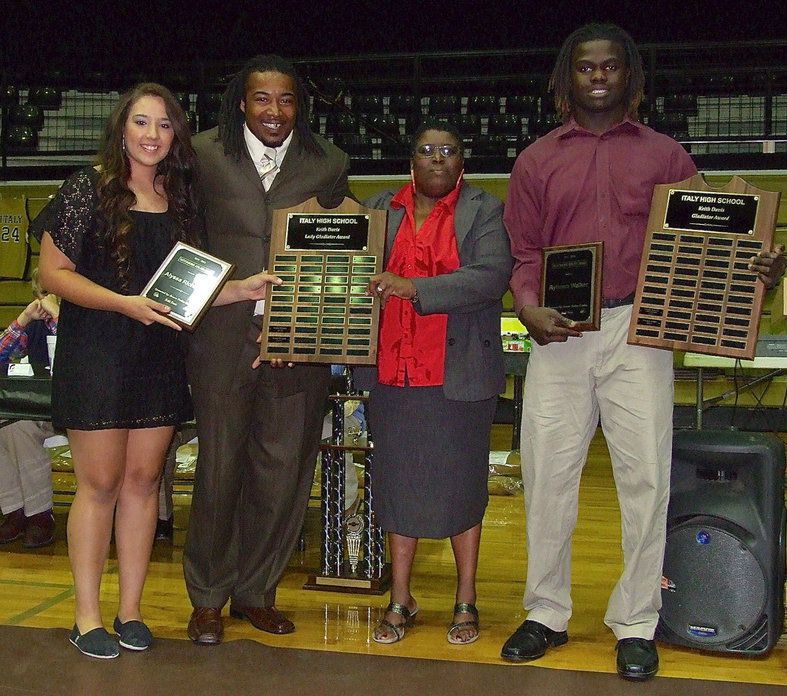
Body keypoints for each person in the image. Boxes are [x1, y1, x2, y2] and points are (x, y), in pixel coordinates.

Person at [499, 23, 787, 680]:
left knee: (647, 481)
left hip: (641, 334)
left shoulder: (667, 156)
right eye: (585, 67)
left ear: (629, 76)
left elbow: (713, 238)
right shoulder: (536, 160)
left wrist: (758, 266)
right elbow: (523, 254)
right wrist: (526, 305)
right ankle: (546, 612)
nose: (597, 75)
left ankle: (634, 620)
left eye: (609, 66)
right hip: (560, 336)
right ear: (565, 78)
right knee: (547, 478)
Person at [35, 83, 280, 660]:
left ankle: (130, 612)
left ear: (176, 136)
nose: (151, 135)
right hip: (96, 354)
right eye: (141, 123)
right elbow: (54, 274)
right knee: (99, 487)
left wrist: (239, 289)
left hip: (156, 361)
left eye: (164, 125)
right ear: (122, 128)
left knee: (144, 485)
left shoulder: (180, 198)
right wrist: (124, 304)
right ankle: (87, 617)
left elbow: (180, 294)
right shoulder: (86, 189)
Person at [183, 54, 351, 645]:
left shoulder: (329, 164)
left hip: (296, 346)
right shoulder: (200, 153)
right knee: (220, 470)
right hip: (220, 339)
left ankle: (256, 592)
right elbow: (182, 242)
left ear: (298, 106)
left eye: (285, 100)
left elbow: (337, 259)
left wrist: (297, 327)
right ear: (240, 102)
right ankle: (207, 596)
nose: (274, 111)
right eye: (261, 99)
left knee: (281, 476)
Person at [359, 121, 511, 645]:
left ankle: (465, 597)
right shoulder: (380, 207)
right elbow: (349, 267)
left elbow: (491, 277)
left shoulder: (483, 210)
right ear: (411, 161)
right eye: (427, 150)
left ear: (462, 161)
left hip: (458, 377)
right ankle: (400, 598)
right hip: (392, 375)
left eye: (449, 151)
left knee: (462, 488)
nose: (437, 158)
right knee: (398, 489)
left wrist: (412, 287)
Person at [0, 270, 58, 548]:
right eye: (41, 294)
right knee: (8, 425)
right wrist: (23, 319)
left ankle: (40, 515)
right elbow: (0, 357)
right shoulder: (34, 326)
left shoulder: (85, 324)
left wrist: (59, 316)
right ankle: (14, 510)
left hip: (83, 408)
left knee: (21, 429)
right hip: (42, 408)